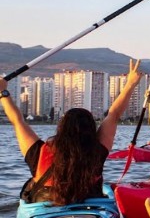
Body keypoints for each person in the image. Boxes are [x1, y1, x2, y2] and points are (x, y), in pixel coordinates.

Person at [1, 60, 142, 205]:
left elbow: (18, 121)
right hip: (89, 209)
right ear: (91, 130)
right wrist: (131, 84)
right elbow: (114, 114)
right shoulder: (97, 151)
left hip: (45, 206)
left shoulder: (40, 152)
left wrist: (3, 93)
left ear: (62, 128)